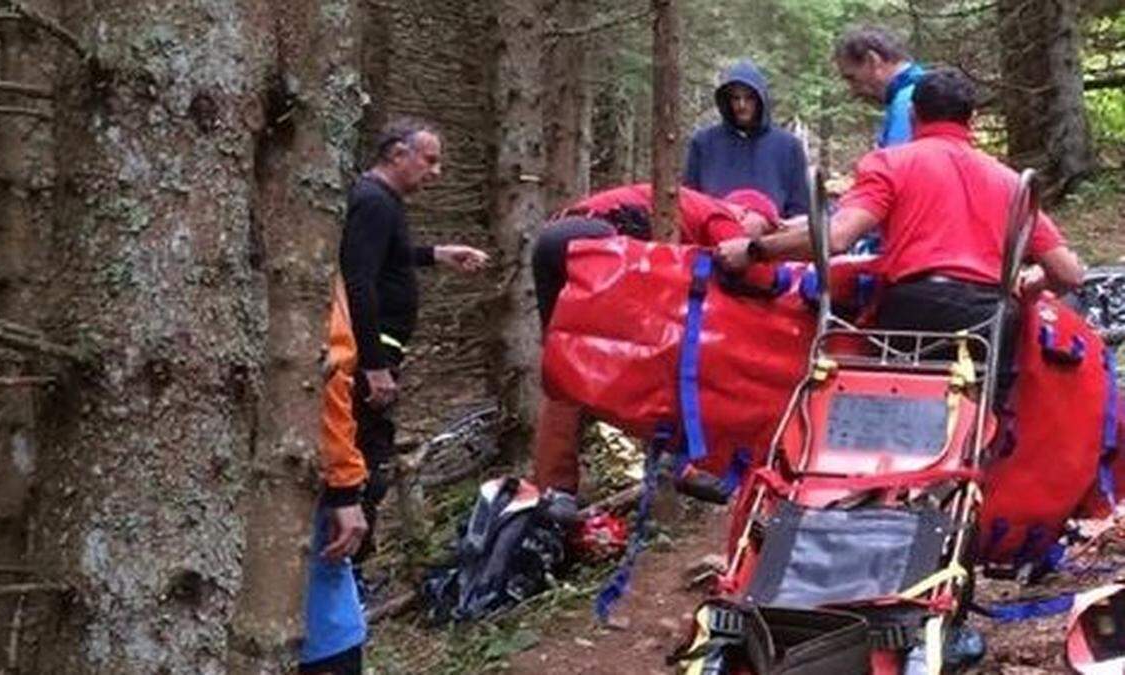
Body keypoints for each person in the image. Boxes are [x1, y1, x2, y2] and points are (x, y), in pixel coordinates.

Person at [715, 68, 1084, 402]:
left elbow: (838, 237)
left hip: (911, 313)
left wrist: (754, 250)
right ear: (971, 119)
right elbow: (1069, 274)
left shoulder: (891, 164)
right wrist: (1028, 287)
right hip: (990, 321)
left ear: (913, 115)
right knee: (985, 420)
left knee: (895, 412)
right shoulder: (1009, 183)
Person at [306, 118, 489, 674]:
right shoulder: (373, 200)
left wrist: (435, 254)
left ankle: (350, 573)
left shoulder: (378, 203)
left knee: (374, 464)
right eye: (429, 161)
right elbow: (357, 280)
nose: (436, 173)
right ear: (397, 153)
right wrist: (374, 363)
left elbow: (386, 258)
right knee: (368, 467)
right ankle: (346, 571)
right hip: (365, 362)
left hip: (373, 354)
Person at [530, 185, 782, 510]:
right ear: (747, 213)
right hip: (597, 245)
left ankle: (555, 489)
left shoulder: (684, 207)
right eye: (768, 228)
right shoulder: (722, 214)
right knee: (662, 359)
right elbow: (755, 274)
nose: (766, 238)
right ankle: (681, 463)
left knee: (566, 374)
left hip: (554, 242)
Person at [684, 60, 810, 218]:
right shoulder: (704, 143)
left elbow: (800, 211)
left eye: (749, 98)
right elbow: (690, 204)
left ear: (760, 100)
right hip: (714, 237)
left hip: (774, 237)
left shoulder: (788, 146)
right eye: (736, 98)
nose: (742, 105)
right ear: (727, 101)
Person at [834, 26, 926, 148]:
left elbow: (896, 162)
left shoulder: (907, 102)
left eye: (852, 78)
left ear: (873, 60)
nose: (853, 90)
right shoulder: (926, 90)